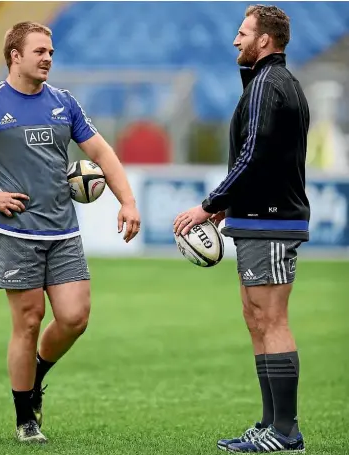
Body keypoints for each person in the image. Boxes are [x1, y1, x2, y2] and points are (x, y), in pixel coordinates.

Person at [0, 21, 141, 443]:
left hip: (63, 232)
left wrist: (128, 201)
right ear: (15, 55)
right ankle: (25, 417)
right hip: (16, 234)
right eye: (40, 51)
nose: (48, 58)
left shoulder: (64, 103)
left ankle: (39, 371)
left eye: (51, 52)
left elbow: (100, 151)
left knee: (75, 318)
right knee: (28, 323)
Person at [174, 5, 309, 453]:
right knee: (256, 318)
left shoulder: (269, 85)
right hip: (256, 216)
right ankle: (271, 425)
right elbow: (255, 158)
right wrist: (227, 208)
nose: (235, 40)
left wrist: (209, 204)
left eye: (243, 32)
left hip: (271, 217)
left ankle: (285, 432)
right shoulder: (266, 82)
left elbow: (253, 157)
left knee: (271, 318)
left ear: (264, 40)